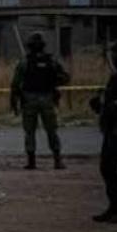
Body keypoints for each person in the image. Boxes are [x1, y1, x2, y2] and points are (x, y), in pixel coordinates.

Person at [10, 32, 69, 170]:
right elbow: (65, 77)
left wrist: (14, 101)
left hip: (29, 100)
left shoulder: (25, 62)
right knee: (51, 130)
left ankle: (32, 162)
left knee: (30, 131)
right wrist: (54, 82)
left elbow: (15, 84)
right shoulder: (51, 61)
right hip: (47, 99)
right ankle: (57, 160)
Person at [89, 40, 117, 222]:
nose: (113, 59)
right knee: (107, 168)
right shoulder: (116, 78)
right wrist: (100, 106)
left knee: (110, 168)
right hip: (111, 129)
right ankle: (114, 206)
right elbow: (111, 103)